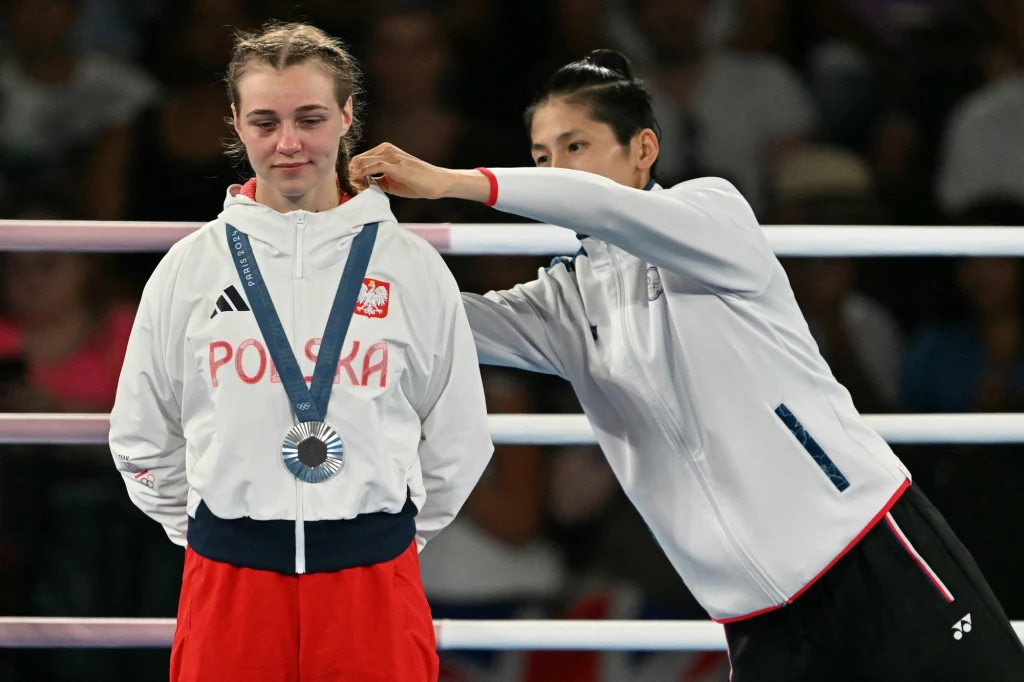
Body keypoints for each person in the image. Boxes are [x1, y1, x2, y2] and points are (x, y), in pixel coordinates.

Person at [351, 49, 1024, 681]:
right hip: (754, 617)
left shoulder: (712, 213)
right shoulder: (564, 301)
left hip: (865, 553)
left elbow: (603, 207)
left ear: (643, 149)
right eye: (539, 157)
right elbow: (436, 319)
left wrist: (453, 183)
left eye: (574, 148)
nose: (552, 174)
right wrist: (327, 264)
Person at [109, 22, 493, 682]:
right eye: (265, 121)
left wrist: (379, 535)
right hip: (228, 579)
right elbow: (142, 437)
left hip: (372, 579)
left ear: (347, 116)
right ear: (235, 123)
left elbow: (458, 440)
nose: (288, 143)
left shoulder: (412, 266)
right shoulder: (189, 269)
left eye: (309, 118)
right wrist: (221, 533)